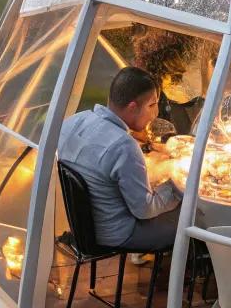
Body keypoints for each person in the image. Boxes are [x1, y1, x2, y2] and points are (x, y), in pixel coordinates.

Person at [58, 67, 183, 252]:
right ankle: (189, 273)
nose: (155, 113)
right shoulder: (123, 146)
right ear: (132, 106)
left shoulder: (75, 121)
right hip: (119, 234)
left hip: (83, 228)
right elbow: (145, 210)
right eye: (151, 105)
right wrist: (177, 185)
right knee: (193, 215)